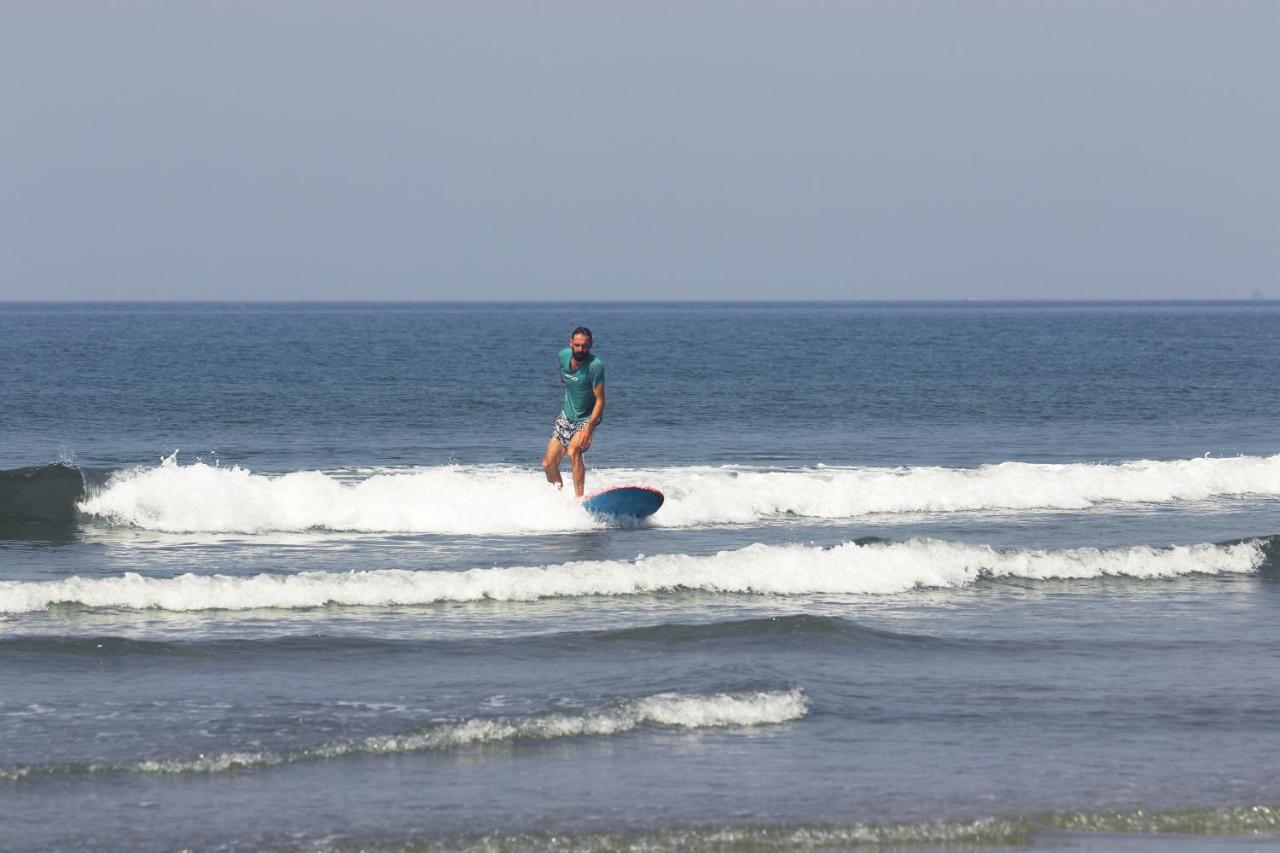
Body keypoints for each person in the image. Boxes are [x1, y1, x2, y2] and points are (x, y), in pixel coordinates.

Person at [542, 326, 605, 497]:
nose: (580, 349)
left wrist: (589, 428)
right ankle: (560, 497)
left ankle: (579, 499)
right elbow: (563, 372)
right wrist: (565, 380)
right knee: (548, 464)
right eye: (577, 345)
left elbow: (600, 400)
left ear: (590, 345)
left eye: (584, 346)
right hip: (567, 415)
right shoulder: (563, 355)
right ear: (571, 343)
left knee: (573, 451)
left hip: (587, 417)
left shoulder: (595, 366)